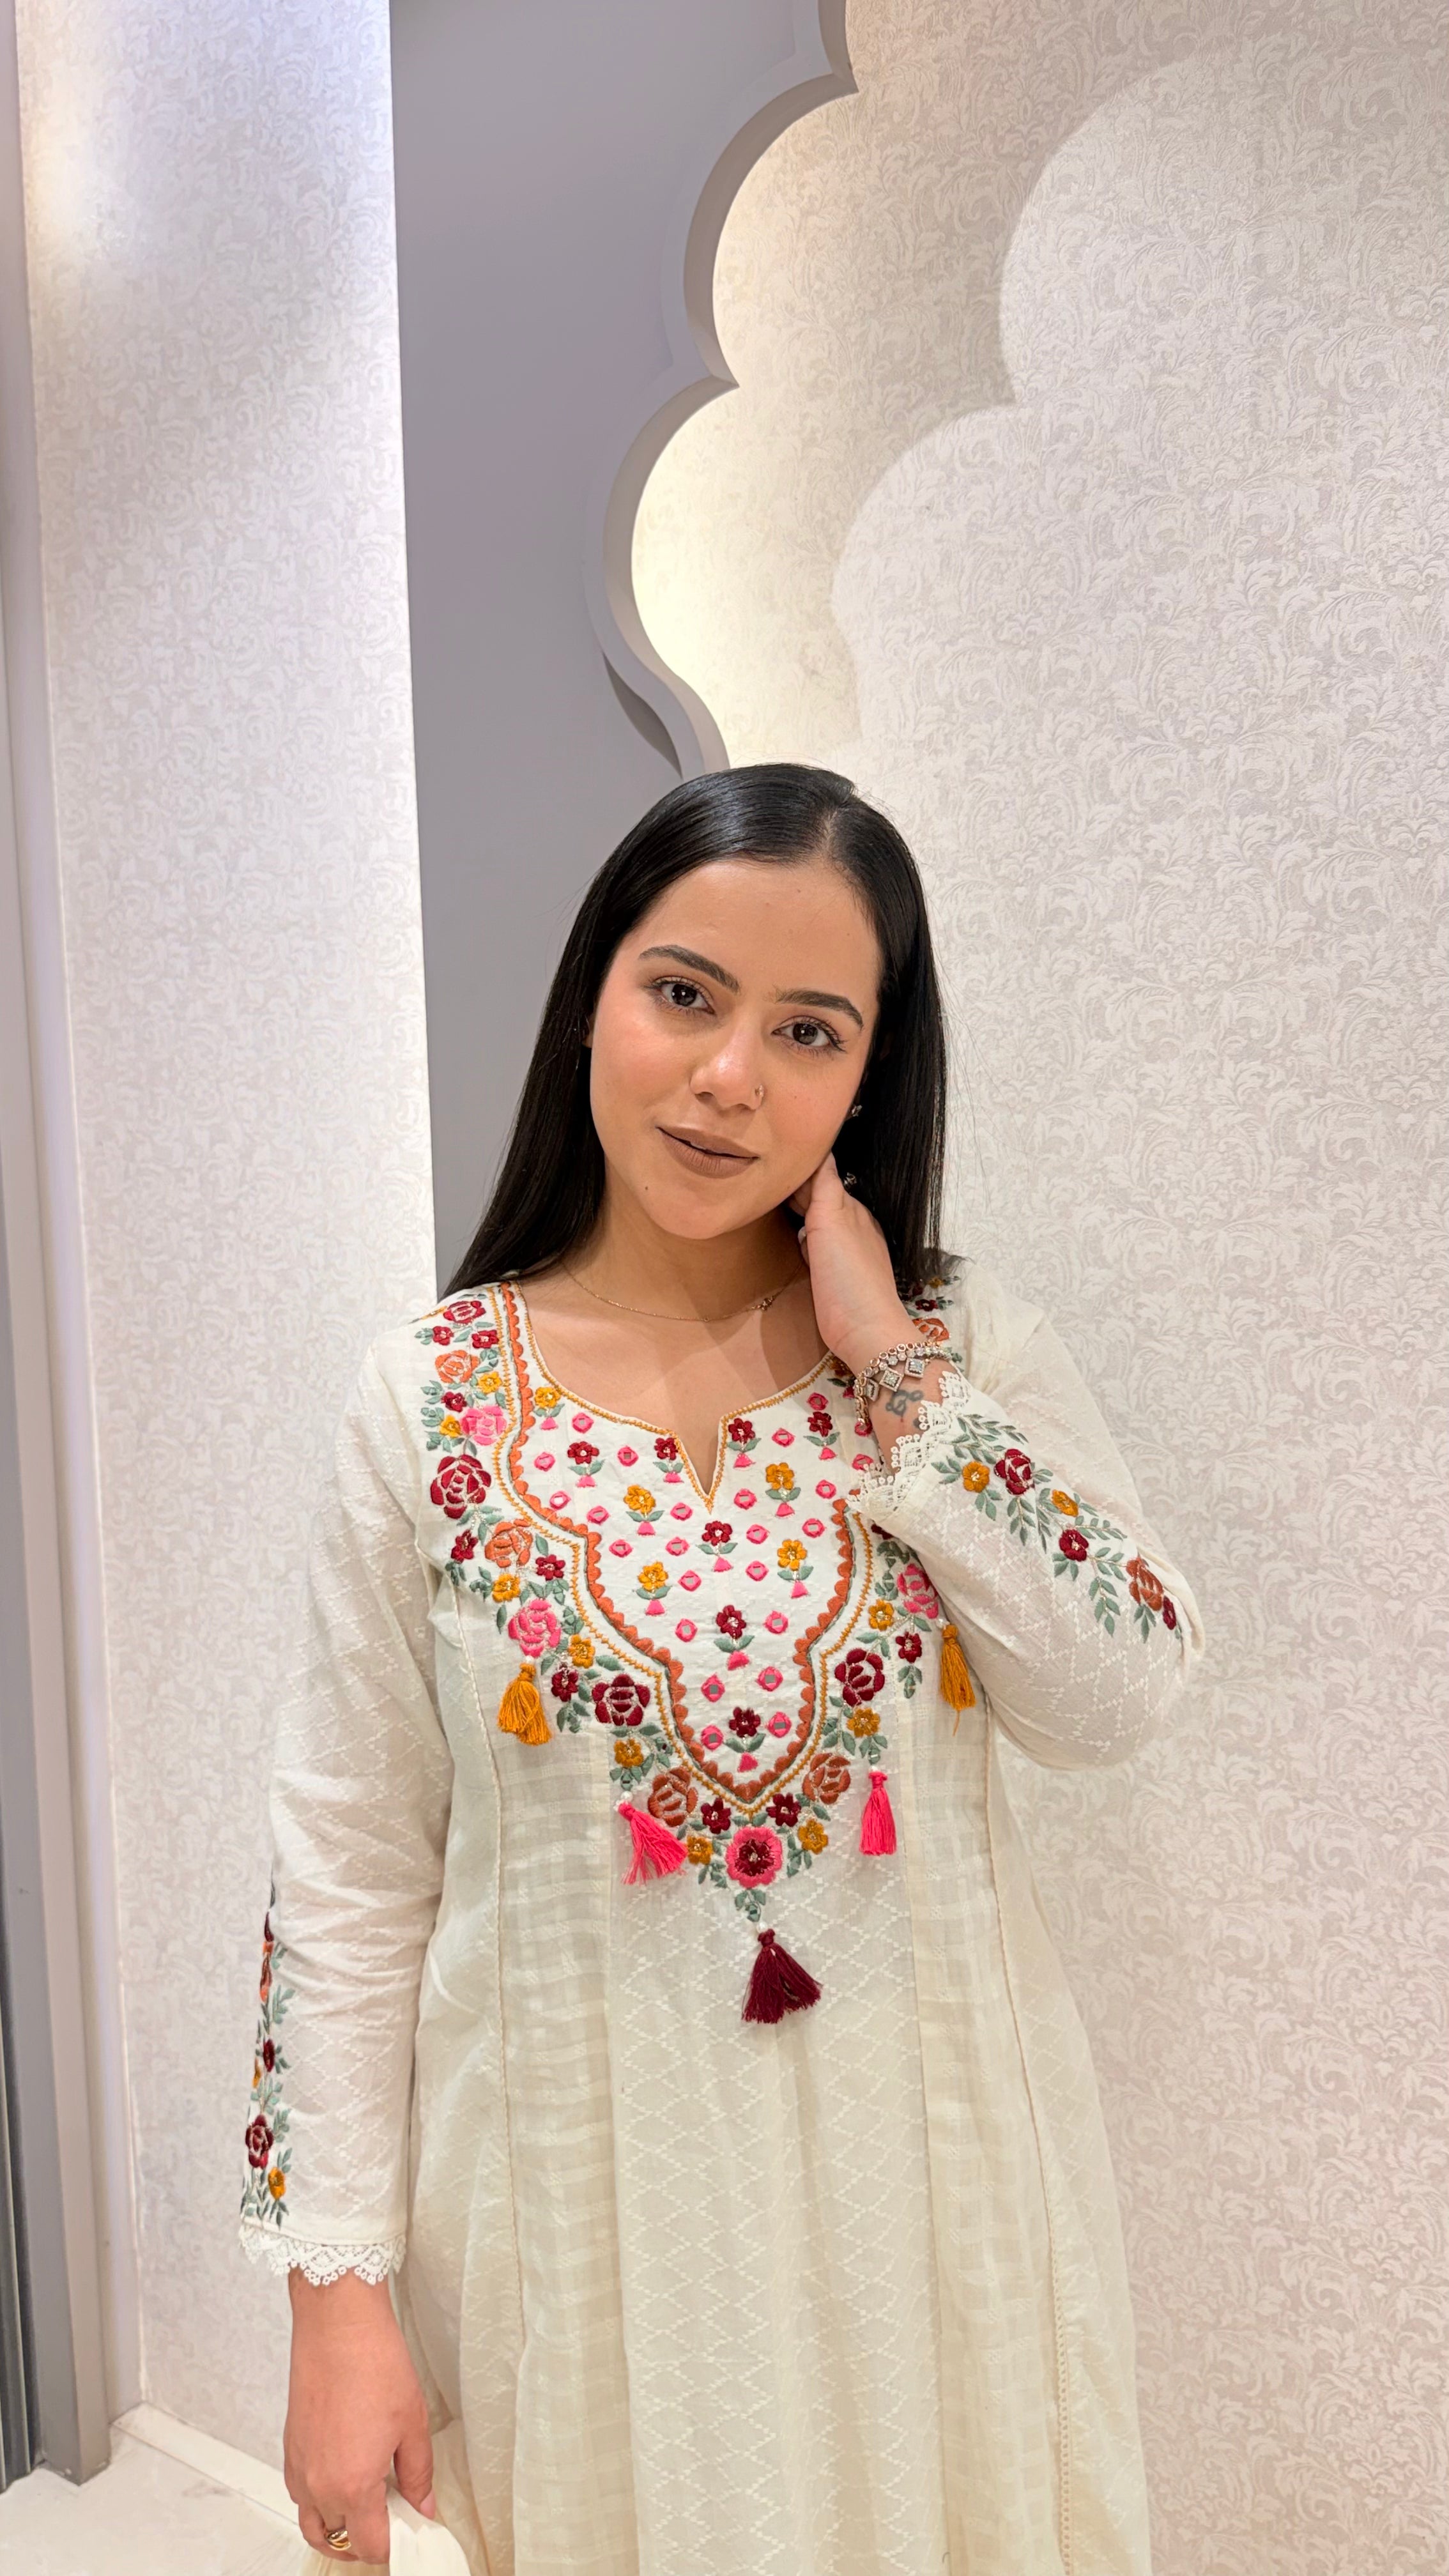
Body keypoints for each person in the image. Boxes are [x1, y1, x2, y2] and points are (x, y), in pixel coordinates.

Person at [240, 763, 1204, 2575]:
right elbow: (350, 1865)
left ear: (868, 1078)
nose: (729, 1075)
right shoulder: (431, 1400)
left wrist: (898, 1374)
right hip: (582, 2238)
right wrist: (334, 2300)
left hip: (933, 2218)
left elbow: (1120, 1693)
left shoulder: (951, 1349)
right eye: (684, 993)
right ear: (591, 996)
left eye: (808, 1030)